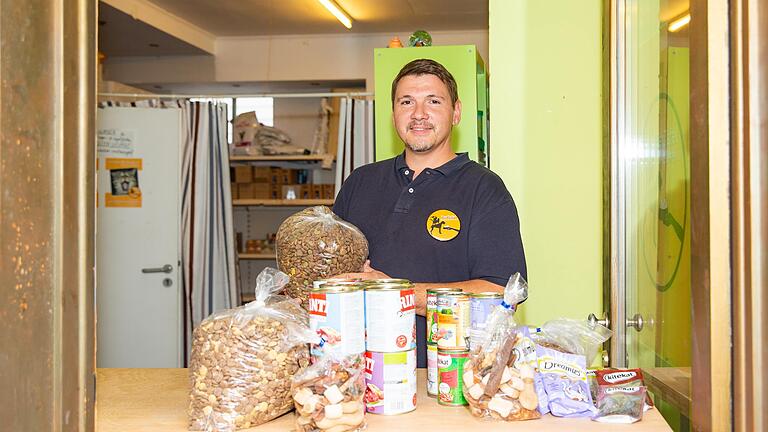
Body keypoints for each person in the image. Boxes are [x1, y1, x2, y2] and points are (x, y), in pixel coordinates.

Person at [333, 59, 526, 367]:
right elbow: (332, 268)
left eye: (433, 101)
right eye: (406, 102)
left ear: (456, 113)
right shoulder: (360, 181)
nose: (419, 114)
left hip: (450, 377)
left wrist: (396, 293)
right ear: (394, 113)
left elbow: (500, 293)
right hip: (357, 373)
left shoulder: (484, 189)